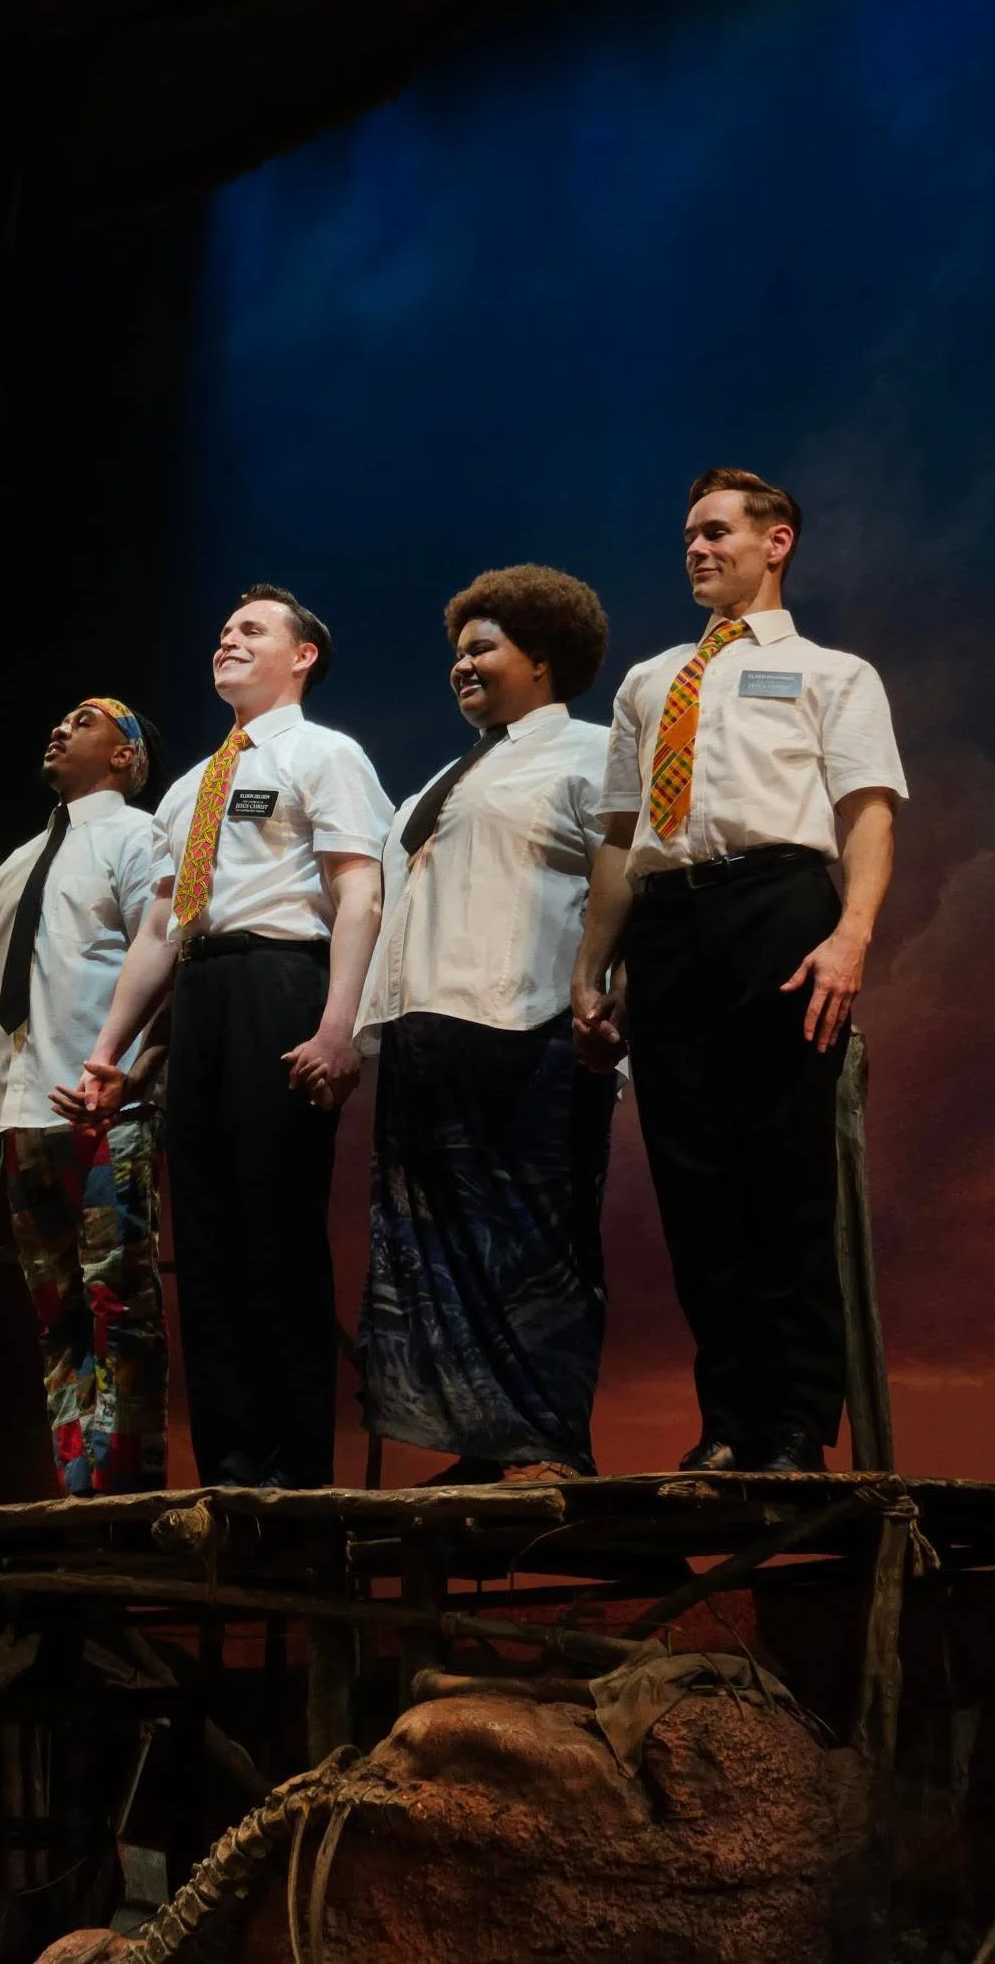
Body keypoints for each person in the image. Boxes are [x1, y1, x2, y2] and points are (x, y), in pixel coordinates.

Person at [571, 468, 907, 1473]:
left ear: (778, 541)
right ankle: (729, 1420)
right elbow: (623, 838)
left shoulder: (832, 673)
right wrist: (593, 970)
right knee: (695, 1180)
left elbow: (868, 814)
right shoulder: (647, 682)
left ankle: (799, 1424)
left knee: (786, 1171)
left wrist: (851, 935)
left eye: (717, 532)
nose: (697, 549)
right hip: (670, 923)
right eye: (687, 536)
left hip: (781, 906)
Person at [77, 584, 394, 1490]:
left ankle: (294, 1471)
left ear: (303, 657)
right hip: (206, 994)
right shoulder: (187, 789)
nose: (228, 641)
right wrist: (111, 1052)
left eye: (251, 630)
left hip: (280, 985)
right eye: (221, 631)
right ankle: (229, 1469)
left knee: (275, 1232)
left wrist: (339, 1030)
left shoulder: (326, 755)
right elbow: (159, 932)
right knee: (206, 1243)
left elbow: (358, 895)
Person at [355, 566, 619, 1485]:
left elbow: (628, 883)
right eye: (456, 651)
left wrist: (605, 996)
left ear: (542, 657)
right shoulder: (444, 774)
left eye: (483, 647)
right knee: (442, 1247)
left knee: (534, 1242)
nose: (460, 665)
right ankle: (484, 1443)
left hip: (530, 1024)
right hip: (427, 1025)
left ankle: (549, 1442)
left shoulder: (590, 753)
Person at [0, 698, 170, 1497]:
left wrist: (132, 1064)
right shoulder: (17, 863)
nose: (60, 727)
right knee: (53, 1309)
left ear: (126, 756)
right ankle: (77, 1483)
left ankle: (123, 1486)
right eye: (57, 718)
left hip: (102, 1106)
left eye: (87, 721)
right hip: (22, 1110)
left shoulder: (143, 835)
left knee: (117, 1297)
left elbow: (164, 952)